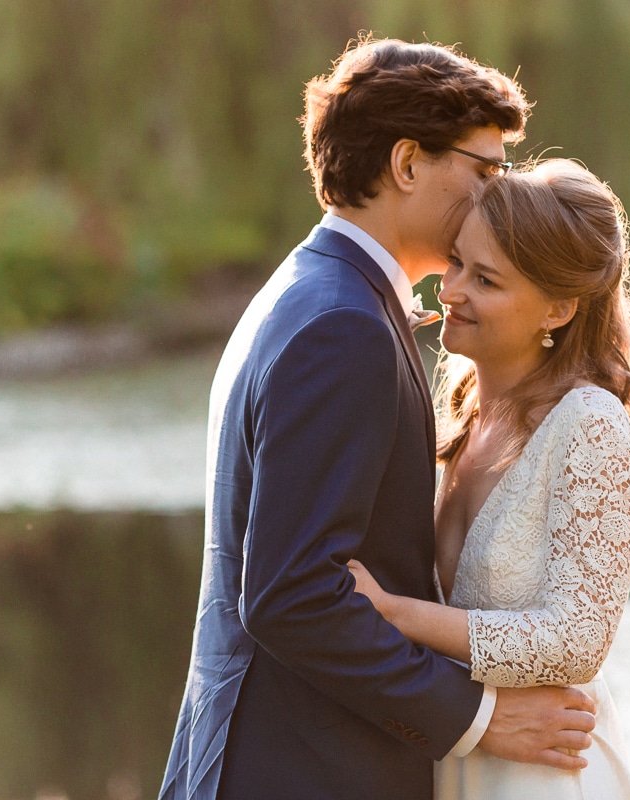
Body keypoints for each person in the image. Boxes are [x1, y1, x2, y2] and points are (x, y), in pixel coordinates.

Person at [160, 38, 598, 800]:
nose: (499, 193)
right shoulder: (344, 328)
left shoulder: (308, 291)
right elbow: (292, 596)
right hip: (303, 771)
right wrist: (477, 720)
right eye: (485, 170)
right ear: (406, 165)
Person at [349, 157, 630, 799]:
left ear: (557, 309)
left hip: (544, 769)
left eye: (485, 279)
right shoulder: (462, 403)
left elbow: (576, 640)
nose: (452, 289)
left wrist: (393, 613)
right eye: (457, 261)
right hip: (464, 753)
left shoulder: (589, 423)